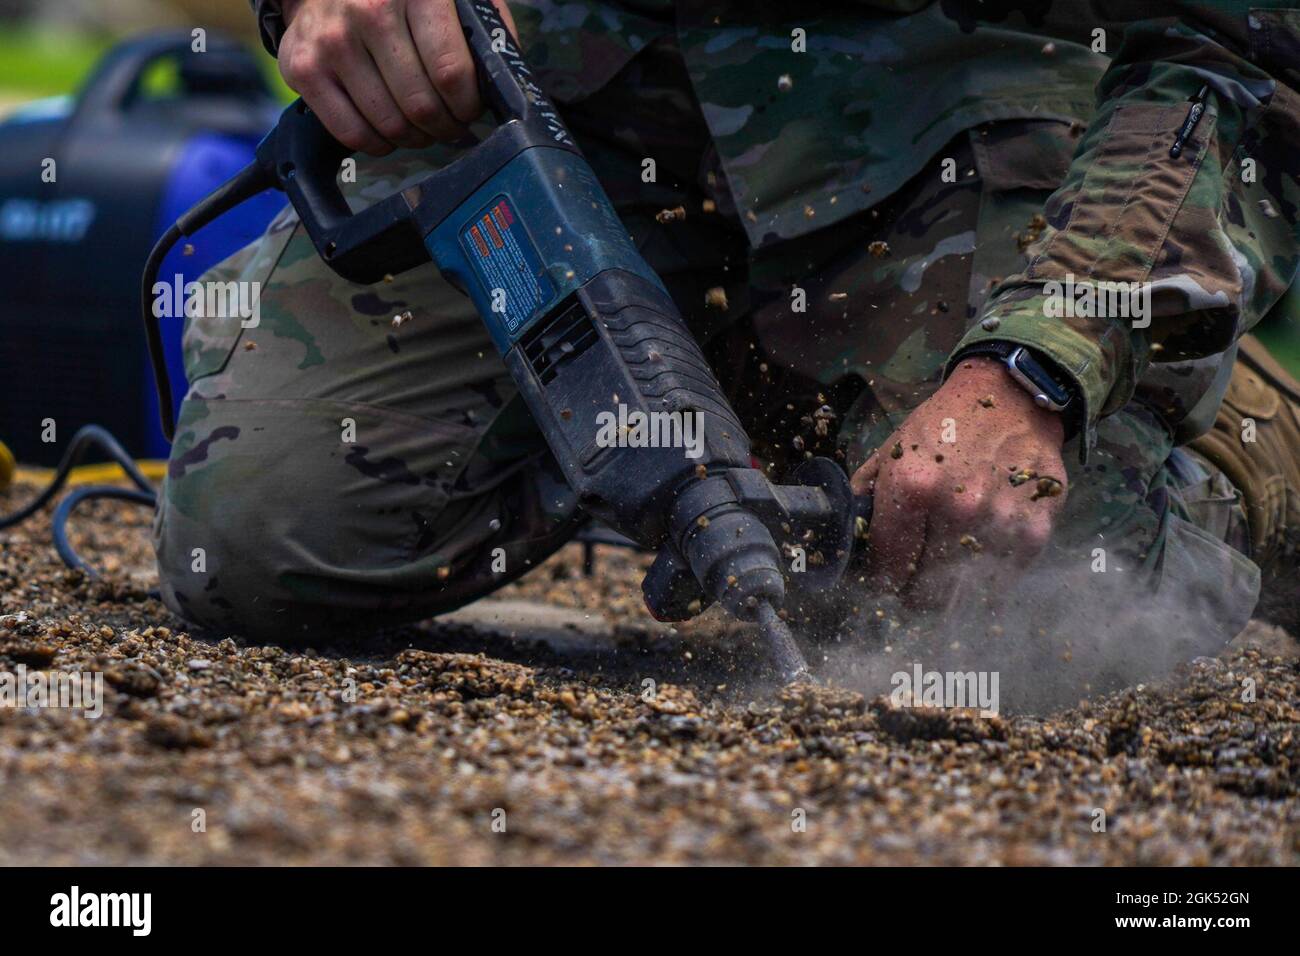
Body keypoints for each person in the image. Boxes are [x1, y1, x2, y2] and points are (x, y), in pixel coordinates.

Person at [154, 0, 1300, 647]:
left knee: (1030, 611)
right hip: (549, 103)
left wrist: (1041, 362)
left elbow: (1243, 47)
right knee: (257, 551)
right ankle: (742, 406)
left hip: (940, 127)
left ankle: (1233, 427)